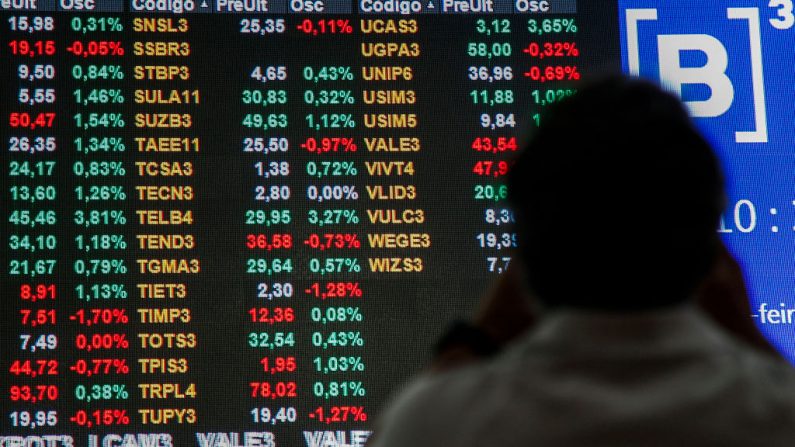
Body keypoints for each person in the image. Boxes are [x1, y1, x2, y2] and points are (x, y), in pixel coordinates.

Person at [367, 77, 795, 446]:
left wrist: (476, 337)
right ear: (712, 259)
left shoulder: (441, 422)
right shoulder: (776, 413)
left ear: (525, 263)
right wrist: (748, 338)